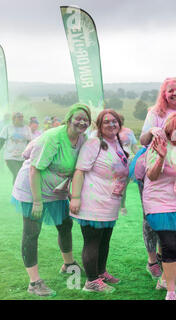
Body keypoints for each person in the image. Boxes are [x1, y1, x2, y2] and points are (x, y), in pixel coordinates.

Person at [11, 103, 91, 296]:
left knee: (65, 225)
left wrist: (71, 191)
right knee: (32, 232)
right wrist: (37, 201)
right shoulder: (53, 138)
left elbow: (76, 168)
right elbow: (34, 169)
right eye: (78, 118)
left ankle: (68, 264)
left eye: (85, 119)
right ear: (69, 119)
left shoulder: (82, 139)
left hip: (56, 191)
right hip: (32, 189)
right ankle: (34, 283)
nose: (82, 122)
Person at [136, 77, 176, 281]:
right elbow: (143, 141)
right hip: (154, 167)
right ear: (164, 94)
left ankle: (165, 256)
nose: (175, 93)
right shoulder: (155, 112)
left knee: (173, 217)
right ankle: (152, 260)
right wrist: (152, 131)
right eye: (171, 91)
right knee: (151, 218)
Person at [69, 109, 129, 293]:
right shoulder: (94, 143)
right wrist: (76, 197)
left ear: (119, 123)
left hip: (110, 202)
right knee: (93, 241)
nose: (111, 125)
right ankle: (92, 281)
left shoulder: (117, 143)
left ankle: (101, 272)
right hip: (92, 202)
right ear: (99, 126)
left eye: (115, 121)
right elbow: (79, 170)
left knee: (105, 240)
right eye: (107, 122)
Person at [142, 112, 176, 300]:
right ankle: (170, 290)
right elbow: (152, 176)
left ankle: (164, 279)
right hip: (158, 202)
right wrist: (161, 157)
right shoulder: (158, 145)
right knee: (169, 245)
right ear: (168, 130)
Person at [0, 112, 32, 184]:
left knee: (22, 175)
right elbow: (1, 141)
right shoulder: (7, 128)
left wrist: (30, 154)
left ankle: (19, 191)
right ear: (13, 119)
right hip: (10, 156)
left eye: (22, 117)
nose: (21, 119)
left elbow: (29, 143)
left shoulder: (27, 128)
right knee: (17, 173)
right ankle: (16, 193)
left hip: (22, 156)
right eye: (19, 117)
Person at [118, 114, 139, 215]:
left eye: (121, 120)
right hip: (113, 163)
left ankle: (122, 206)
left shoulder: (129, 132)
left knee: (123, 186)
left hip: (127, 163)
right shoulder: (109, 132)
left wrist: (140, 156)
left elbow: (134, 147)